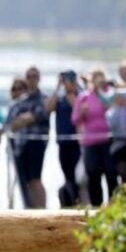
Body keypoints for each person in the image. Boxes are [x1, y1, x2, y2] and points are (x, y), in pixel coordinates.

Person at [5, 67, 49, 209]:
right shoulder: (20, 101)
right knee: (27, 181)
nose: (32, 79)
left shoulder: (44, 98)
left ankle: (42, 209)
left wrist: (24, 119)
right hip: (20, 146)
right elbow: (11, 124)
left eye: (35, 76)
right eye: (29, 76)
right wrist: (24, 119)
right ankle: (31, 210)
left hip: (36, 143)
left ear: (39, 78)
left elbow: (38, 115)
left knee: (35, 178)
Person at [72, 69, 116, 206]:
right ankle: (96, 206)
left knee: (111, 173)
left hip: (108, 140)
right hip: (90, 142)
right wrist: (82, 113)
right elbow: (74, 120)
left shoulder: (110, 94)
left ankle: (113, 204)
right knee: (93, 174)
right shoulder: (84, 97)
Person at [44, 70, 82, 206]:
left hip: (78, 143)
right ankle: (70, 202)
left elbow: (79, 110)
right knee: (68, 175)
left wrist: (74, 91)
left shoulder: (80, 96)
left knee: (79, 177)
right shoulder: (59, 98)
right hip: (63, 143)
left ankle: (79, 201)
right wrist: (57, 87)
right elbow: (48, 108)